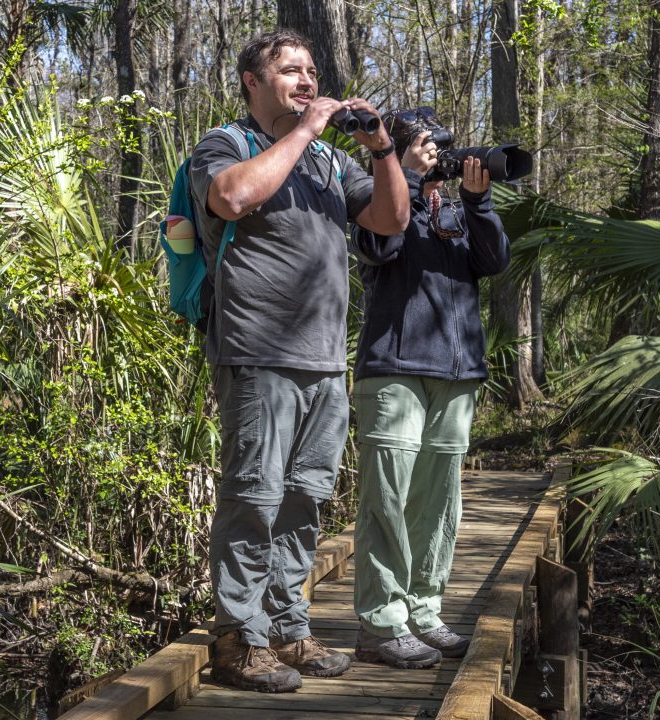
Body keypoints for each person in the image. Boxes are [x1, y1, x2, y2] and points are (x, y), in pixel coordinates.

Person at [188, 29, 409, 693]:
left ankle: (288, 630)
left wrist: (381, 149)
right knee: (253, 497)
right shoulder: (227, 144)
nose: (308, 81)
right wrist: (308, 131)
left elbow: (391, 220)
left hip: (324, 364)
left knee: (305, 500)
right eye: (290, 71)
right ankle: (238, 638)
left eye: (311, 71)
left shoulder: (327, 165)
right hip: (257, 353)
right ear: (253, 83)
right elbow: (231, 198)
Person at [349, 118, 511, 668]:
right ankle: (381, 622)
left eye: (437, 148)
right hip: (393, 368)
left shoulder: (458, 213)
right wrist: (408, 177)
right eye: (423, 147)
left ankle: (423, 609)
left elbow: (494, 262)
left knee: (440, 502)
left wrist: (478, 201)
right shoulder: (381, 200)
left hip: (456, 373)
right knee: (387, 498)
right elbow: (377, 247)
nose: (435, 156)